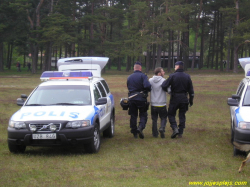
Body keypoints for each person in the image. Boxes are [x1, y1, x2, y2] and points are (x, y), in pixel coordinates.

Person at [162, 61, 194, 138]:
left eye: (175, 66)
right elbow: (191, 91)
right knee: (182, 115)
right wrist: (191, 100)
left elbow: (164, 85)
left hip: (175, 98)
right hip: (184, 98)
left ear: (177, 66)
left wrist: (169, 91)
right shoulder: (187, 76)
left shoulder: (172, 76)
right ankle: (180, 132)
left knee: (171, 114)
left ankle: (174, 128)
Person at [127, 61, 151, 139]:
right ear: (140, 68)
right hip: (141, 98)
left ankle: (134, 132)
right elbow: (147, 86)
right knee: (143, 114)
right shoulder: (143, 76)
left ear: (134, 68)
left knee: (133, 115)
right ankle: (140, 128)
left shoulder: (129, 77)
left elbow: (128, 86)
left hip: (132, 98)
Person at [149, 67, 167, 138]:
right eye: (163, 71)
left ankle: (155, 133)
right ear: (159, 73)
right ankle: (162, 128)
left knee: (154, 119)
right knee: (163, 117)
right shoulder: (163, 80)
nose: (164, 72)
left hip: (153, 103)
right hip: (162, 103)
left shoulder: (150, 80)